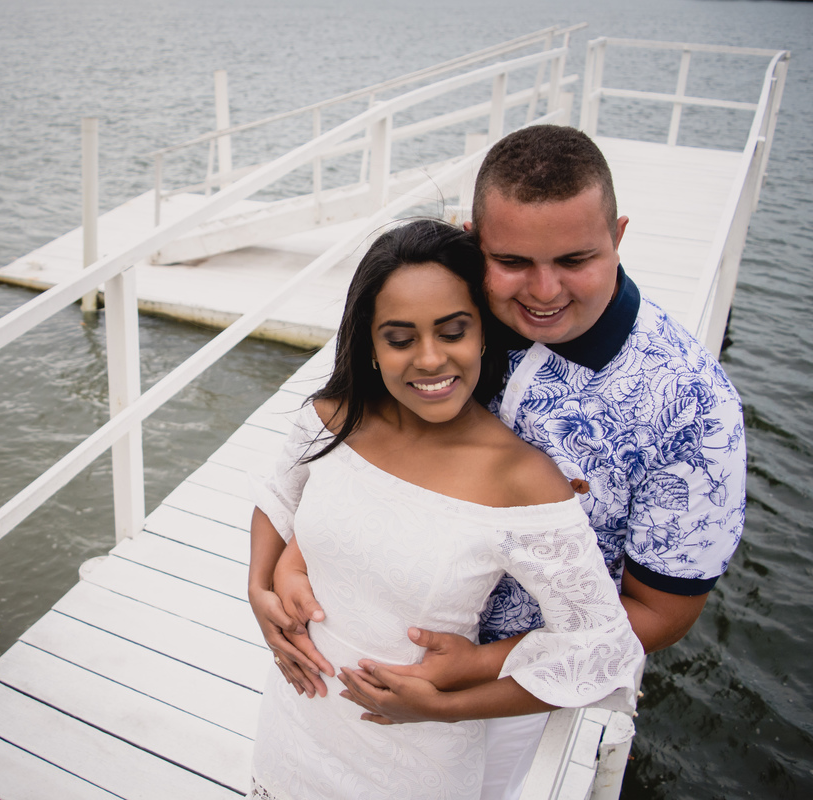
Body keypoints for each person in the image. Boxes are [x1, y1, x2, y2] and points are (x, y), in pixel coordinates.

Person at [257, 125, 748, 800]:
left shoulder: (693, 408)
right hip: (354, 633)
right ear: (474, 240)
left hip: (509, 684)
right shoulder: (456, 310)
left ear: (620, 236)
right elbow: (354, 446)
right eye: (514, 260)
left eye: (576, 258)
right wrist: (294, 558)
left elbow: (662, 612)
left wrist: (475, 669)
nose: (544, 291)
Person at [246, 219, 644, 800]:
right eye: (401, 339)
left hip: (410, 765)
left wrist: (447, 705)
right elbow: (279, 495)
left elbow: (603, 650)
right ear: (372, 346)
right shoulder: (334, 417)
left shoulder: (521, 480)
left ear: (482, 332)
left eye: (452, 331)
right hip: (293, 727)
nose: (430, 359)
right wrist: (260, 585)